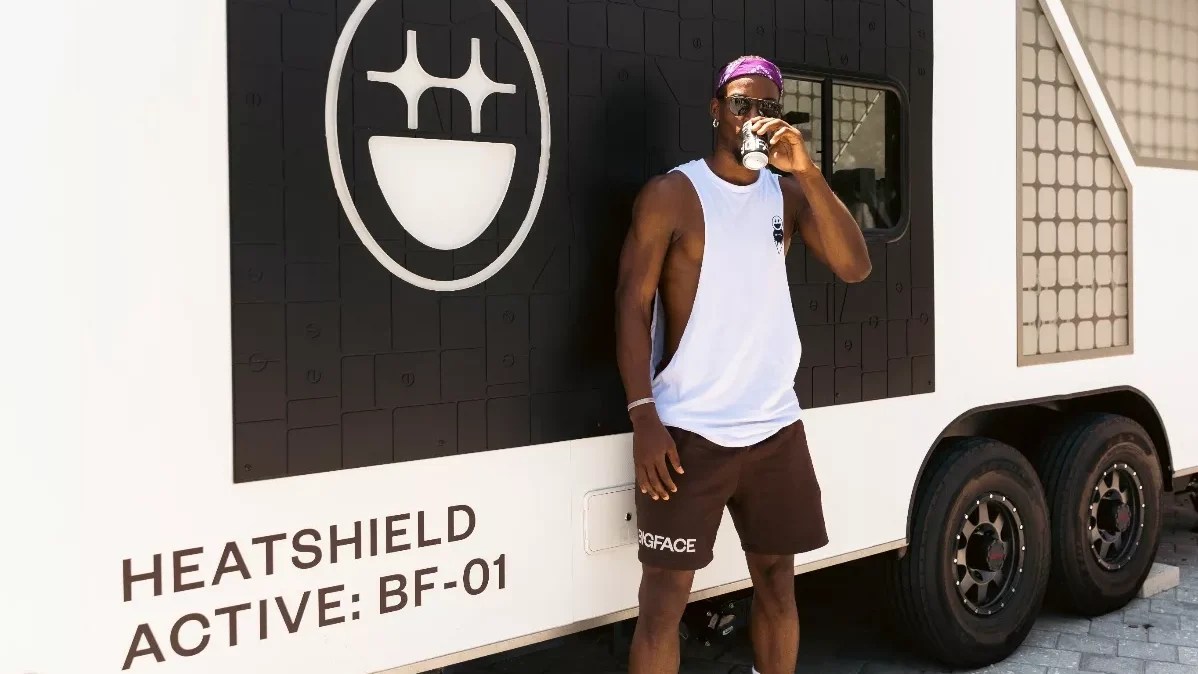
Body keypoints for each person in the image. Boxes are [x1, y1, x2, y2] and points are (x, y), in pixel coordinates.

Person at [614, 55, 873, 674]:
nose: (753, 118)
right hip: (689, 432)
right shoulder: (672, 195)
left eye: (766, 107)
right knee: (662, 604)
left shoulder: (787, 193)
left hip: (774, 426)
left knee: (779, 585)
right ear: (716, 111)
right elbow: (630, 307)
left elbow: (854, 266)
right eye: (741, 105)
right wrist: (643, 417)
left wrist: (808, 173)